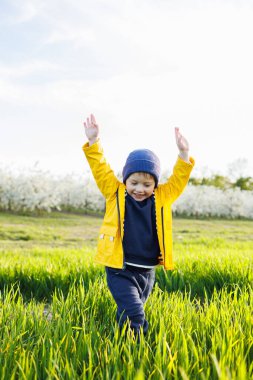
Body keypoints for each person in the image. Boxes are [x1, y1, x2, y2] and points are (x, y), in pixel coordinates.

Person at [82, 113, 195, 338]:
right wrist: (94, 142)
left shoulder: (163, 196)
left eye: (147, 184)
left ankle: (120, 341)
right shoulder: (115, 193)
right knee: (135, 312)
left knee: (131, 311)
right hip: (120, 268)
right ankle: (137, 351)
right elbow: (100, 169)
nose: (140, 189)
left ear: (155, 183)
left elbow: (179, 179)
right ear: (125, 180)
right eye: (134, 183)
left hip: (147, 269)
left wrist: (184, 154)